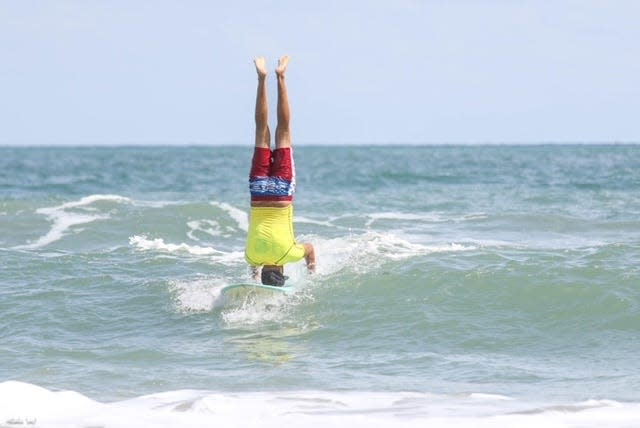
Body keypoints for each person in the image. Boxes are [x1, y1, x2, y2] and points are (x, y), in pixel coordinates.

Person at [244, 56, 316, 286]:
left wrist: (312, 274)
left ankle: (280, 76)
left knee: (283, 131)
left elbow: (310, 250)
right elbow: (252, 264)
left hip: (282, 192)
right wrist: (254, 276)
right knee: (260, 130)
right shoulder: (252, 257)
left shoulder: (289, 255)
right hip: (258, 192)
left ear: (282, 271)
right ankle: (261, 78)